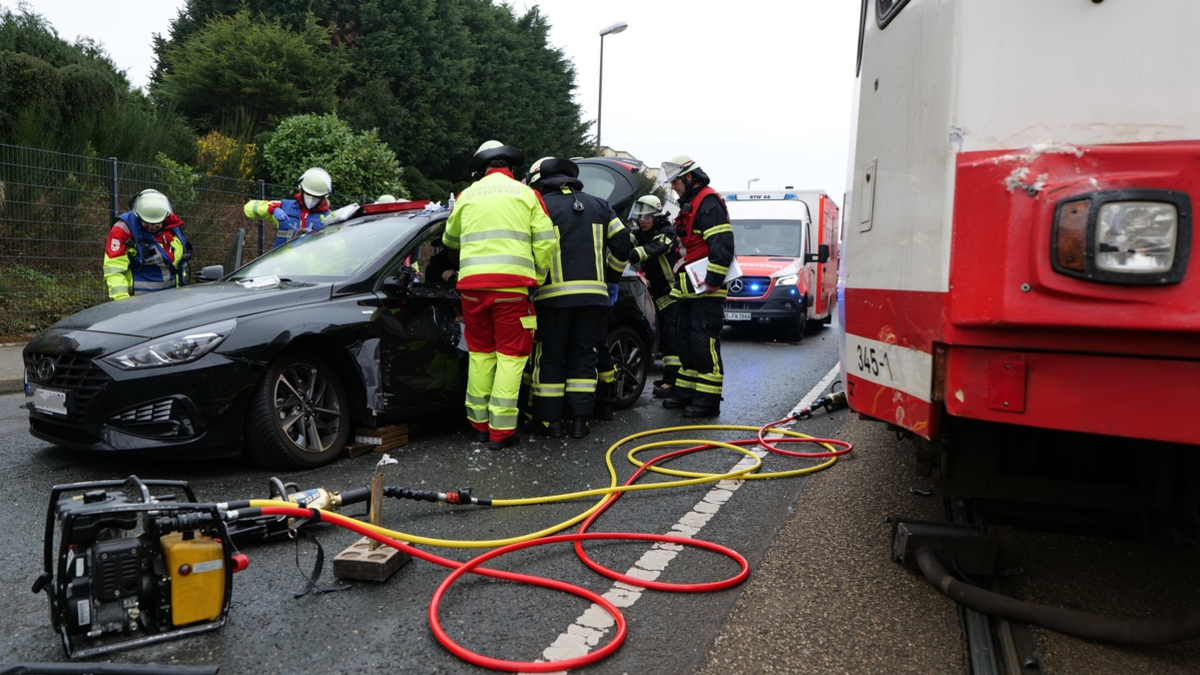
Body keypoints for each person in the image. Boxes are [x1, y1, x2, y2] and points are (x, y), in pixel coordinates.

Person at [443, 141, 556, 451]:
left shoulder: (467, 195)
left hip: (472, 290)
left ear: (482, 168)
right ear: (512, 168)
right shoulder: (526, 194)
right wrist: (540, 278)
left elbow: (449, 237)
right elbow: (547, 243)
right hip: (512, 289)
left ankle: (479, 427)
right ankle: (501, 432)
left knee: (480, 354)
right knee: (511, 356)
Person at [525, 157, 631, 439]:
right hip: (594, 300)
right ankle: (579, 421)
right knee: (584, 358)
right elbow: (624, 244)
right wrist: (611, 279)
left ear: (540, 182)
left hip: (552, 299)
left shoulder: (540, 206)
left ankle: (551, 423)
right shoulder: (600, 204)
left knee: (551, 358)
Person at [658, 155, 735, 417]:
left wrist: (713, 279)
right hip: (690, 289)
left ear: (689, 177)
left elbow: (722, 242)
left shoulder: (708, 201)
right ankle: (687, 393)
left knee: (704, 344)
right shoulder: (691, 203)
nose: (673, 187)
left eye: (676, 181)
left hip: (706, 289)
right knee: (686, 343)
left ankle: (707, 401)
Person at [627, 195, 682, 398]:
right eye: (640, 216)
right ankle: (669, 379)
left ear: (656, 217)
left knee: (671, 337)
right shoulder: (639, 233)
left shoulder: (667, 231)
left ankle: (673, 381)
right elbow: (626, 240)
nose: (642, 220)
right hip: (655, 294)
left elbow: (654, 248)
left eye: (647, 216)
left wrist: (631, 254)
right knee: (661, 336)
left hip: (672, 293)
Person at [102, 189, 191, 300]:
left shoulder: (173, 227)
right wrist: (122, 302)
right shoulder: (123, 230)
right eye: (147, 222)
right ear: (138, 216)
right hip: (137, 303)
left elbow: (180, 262)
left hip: (172, 299)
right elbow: (114, 269)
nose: (152, 226)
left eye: (157, 223)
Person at [243, 167, 333, 249]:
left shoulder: (330, 218)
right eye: (308, 194)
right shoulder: (284, 206)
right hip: (281, 263)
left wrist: (319, 236)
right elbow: (249, 208)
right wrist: (272, 209)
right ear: (301, 190)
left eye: (316, 197)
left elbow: (336, 247)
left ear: (324, 197)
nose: (311, 199)